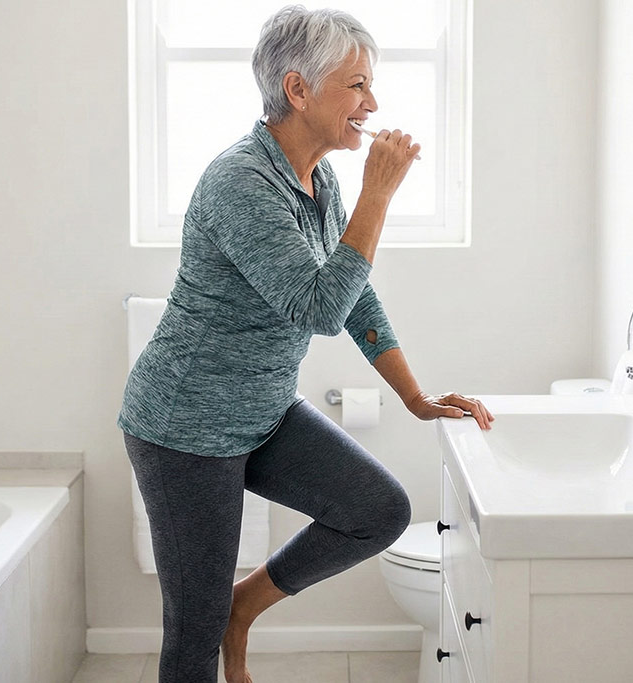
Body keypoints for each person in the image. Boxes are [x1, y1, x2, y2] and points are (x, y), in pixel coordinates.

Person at [117, 6, 494, 682]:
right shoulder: (240, 182)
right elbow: (317, 307)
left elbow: (353, 294)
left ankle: (243, 608)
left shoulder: (319, 179)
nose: (371, 103)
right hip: (184, 426)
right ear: (298, 90)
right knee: (192, 633)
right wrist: (380, 195)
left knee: (377, 509)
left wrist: (413, 395)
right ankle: (218, 619)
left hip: (261, 411)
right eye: (356, 86)